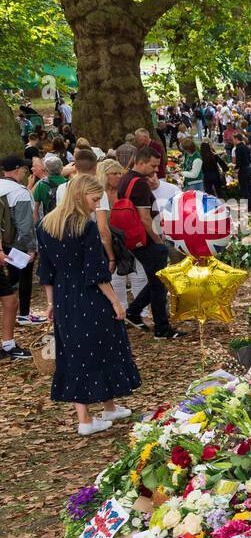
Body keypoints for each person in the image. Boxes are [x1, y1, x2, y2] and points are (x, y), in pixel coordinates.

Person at [36, 174, 140, 435]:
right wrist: (116, 302)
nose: (96, 205)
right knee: (103, 345)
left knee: (74, 351)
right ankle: (87, 420)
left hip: (63, 295)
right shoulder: (85, 226)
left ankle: (104, 408)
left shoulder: (45, 225)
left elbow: (46, 269)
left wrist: (50, 302)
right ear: (80, 195)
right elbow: (96, 273)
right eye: (94, 199)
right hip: (89, 294)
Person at [120, 149, 184, 339]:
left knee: (158, 280)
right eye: (153, 165)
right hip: (146, 240)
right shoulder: (139, 184)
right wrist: (158, 240)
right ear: (141, 162)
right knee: (159, 285)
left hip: (134, 238)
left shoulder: (126, 179)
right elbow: (145, 218)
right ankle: (161, 329)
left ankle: (133, 311)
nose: (156, 170)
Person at [93, 159, 146, 309]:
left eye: (120, 173)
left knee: (138, 274)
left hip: (128, 237)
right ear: (104, 175)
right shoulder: (99, 194)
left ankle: (140, 311)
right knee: (116, 276)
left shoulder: (124, 192)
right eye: (114, 173)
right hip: (109, 239)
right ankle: (120, 309)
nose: (118, 176)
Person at [0, 155, 37, 357]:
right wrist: (30, 249)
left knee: (9, 296)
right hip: (13, 247)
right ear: (16, 170)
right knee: (10, 297)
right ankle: (8, 344)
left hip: (3, 247)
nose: (25, 173)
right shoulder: (19, 192)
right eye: (24, 169)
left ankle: (8, 344)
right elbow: (25, 226)